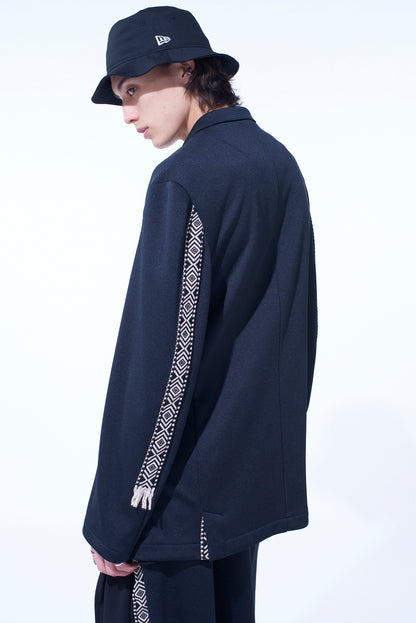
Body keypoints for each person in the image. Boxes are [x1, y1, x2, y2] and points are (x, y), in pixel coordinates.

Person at [83, 6, 318, 623]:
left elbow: (165, 360)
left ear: (185, 70)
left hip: (174, 510)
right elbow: (293, 333)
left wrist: (118, 520)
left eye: (132, 90)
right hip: (240, 500)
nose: (127, 114)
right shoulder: (277, 162)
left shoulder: (185, 178)